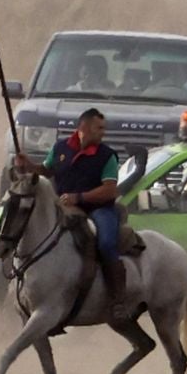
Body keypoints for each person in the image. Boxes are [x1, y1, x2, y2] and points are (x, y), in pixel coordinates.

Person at [15, 108, 132, 325]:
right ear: (84, 128)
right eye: (99, 128)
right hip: (65, 207)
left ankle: (118, 300)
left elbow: (109, 190)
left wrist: (79, 197)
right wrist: (28, 165)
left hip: (99, 209)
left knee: (106, 243)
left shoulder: (107, 156)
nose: (102, 133)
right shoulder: (60, 148)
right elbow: (47, 170)